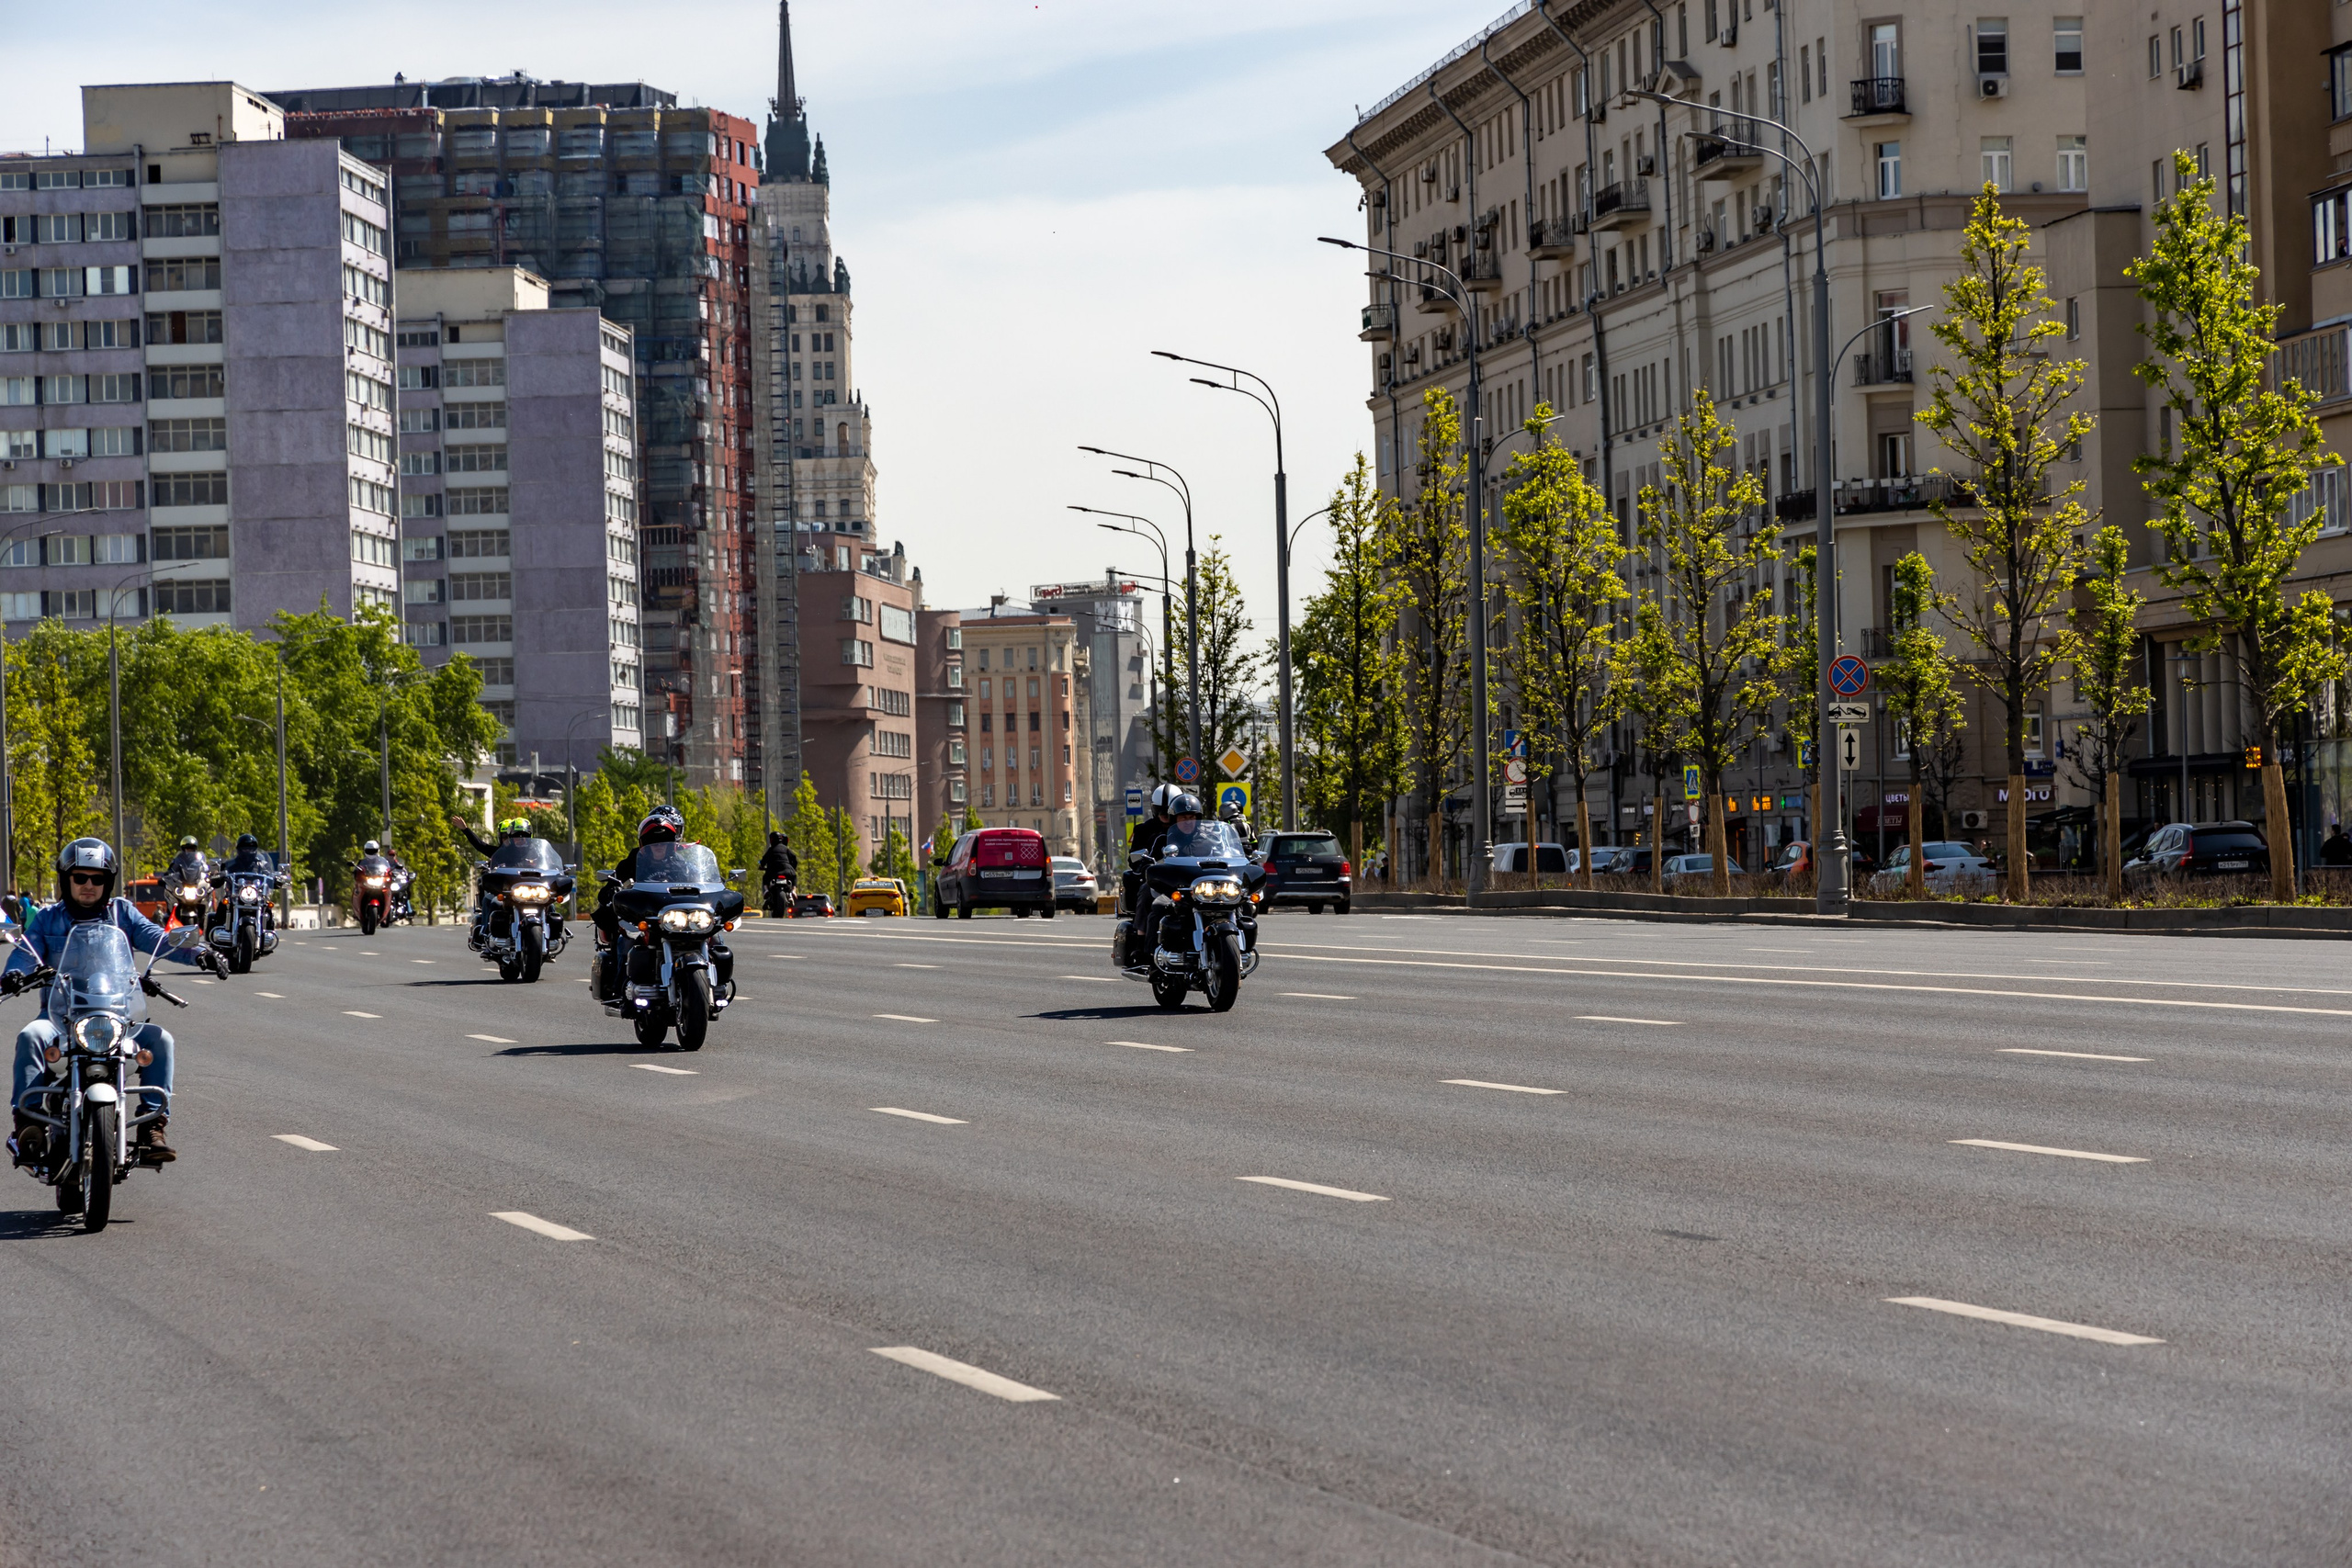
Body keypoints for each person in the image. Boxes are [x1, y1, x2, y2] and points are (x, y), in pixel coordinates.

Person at [7, 838, 217, 1168]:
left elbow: (158, 939)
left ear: (108, 882)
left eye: (98, 879)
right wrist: (14, 974)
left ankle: (151, 1126)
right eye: (80, 878)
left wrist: (201, 952)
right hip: (60, 1018)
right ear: (66, 880)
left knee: (160, 1039)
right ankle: (28, 1123)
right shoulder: (47, 919)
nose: (89, 885)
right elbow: (25, 953)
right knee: (30, 1036)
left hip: (118, 1019)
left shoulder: (123, 913)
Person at [594, 805, 686, 999]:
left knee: (713, 935)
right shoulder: (632, 861)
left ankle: (713, 983)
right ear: (644, 843)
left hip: (673, 918)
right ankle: (621, 989)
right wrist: (613, 890)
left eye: (663, 841)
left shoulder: (681, 863)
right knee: (626, 941)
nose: (659, 846)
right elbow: (609, 889)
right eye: (653, 841)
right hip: (644, 917)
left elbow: (697, 882)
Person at [451, 816, 534, 939]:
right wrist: (465, 829)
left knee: (551, 903)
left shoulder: (536, 853)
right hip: (508, 891)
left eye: (524, 837)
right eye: (516, 837)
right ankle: (485, 932)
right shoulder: (502, 853)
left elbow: (551, 864)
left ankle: (552, 936)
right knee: (492, 901)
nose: (520, 840)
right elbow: (481, 846)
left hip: (532, 891)